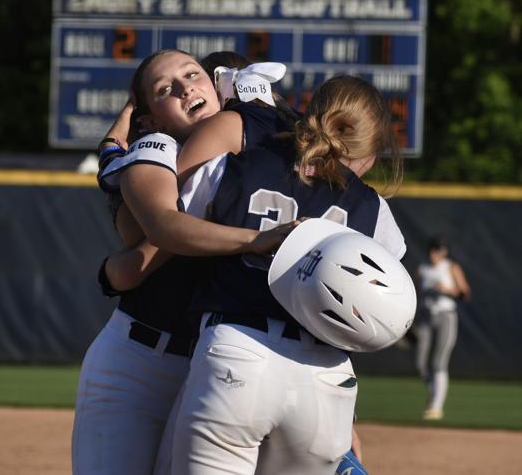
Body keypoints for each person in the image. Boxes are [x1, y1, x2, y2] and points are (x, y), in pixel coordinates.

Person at [162, 73, 406, 475]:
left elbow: (174, 231)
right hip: (325, 379)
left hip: (236, 351)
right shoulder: (374, 210)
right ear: (372, 150)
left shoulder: (239, 165)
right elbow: (381, 312)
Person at [71, 49, 295, 475]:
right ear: (149, 119)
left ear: (219, 85)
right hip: (141, 360)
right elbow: (138, 243)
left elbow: (125, 267)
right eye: (165, 89)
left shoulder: (270, 159)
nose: (185, 86)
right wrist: (249, 238)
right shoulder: (157, 155)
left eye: (193, 74)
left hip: (227, 372)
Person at [414, 234, 471, 420]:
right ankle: (434, 393)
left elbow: (465, 293)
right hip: (426, 317)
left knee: (439, 362)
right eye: (435, 250)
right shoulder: (422, 268)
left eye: (440, 251)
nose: (436, 254)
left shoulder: (451, 267)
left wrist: (447, 290)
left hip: (446, 316)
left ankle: (437, 408)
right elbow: (412, 292)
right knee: (421, 364)